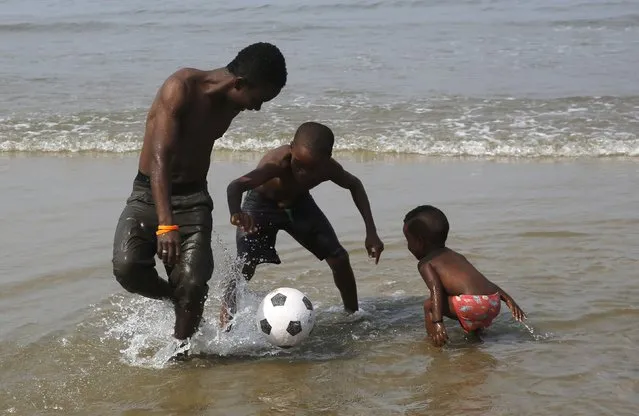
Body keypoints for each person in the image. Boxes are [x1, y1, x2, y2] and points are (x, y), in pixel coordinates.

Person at [111, 42, 287, 354]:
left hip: (194, 199)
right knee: (127, 269)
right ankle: (172, 297)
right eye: (258, 99)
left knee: (193, 283)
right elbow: (160, 158)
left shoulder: (233, 102)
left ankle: (180, 353)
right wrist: (166, 225)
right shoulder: (180, 89)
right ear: (239, 83)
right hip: (148, 193)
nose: (257, 108)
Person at [220, 121, 385, 329]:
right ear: (291, 148)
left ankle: (352, 315)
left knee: (339, 257)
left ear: (327, 159)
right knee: (245, 265)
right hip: (261, 207)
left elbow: (355, 185)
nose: (303, 173)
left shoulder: (329, 169)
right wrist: (237, 213)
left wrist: (371, 232)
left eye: (312, 169)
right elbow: (235, 186)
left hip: (298, 205)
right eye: (298, 164)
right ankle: (226, 324)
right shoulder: (276, 162)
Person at [402, 205, 527, 347]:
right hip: (493, 302)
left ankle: (435, 344)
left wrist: (438, 322)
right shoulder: (456, 256)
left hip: (473, 306)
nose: (408, 246)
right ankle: (477, 339)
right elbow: (482, 282)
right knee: (466, 299)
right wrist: (508, 300)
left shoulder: (426, 264)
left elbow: (436, 290)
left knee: (429, 305)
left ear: (419, 242)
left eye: (408, 241)